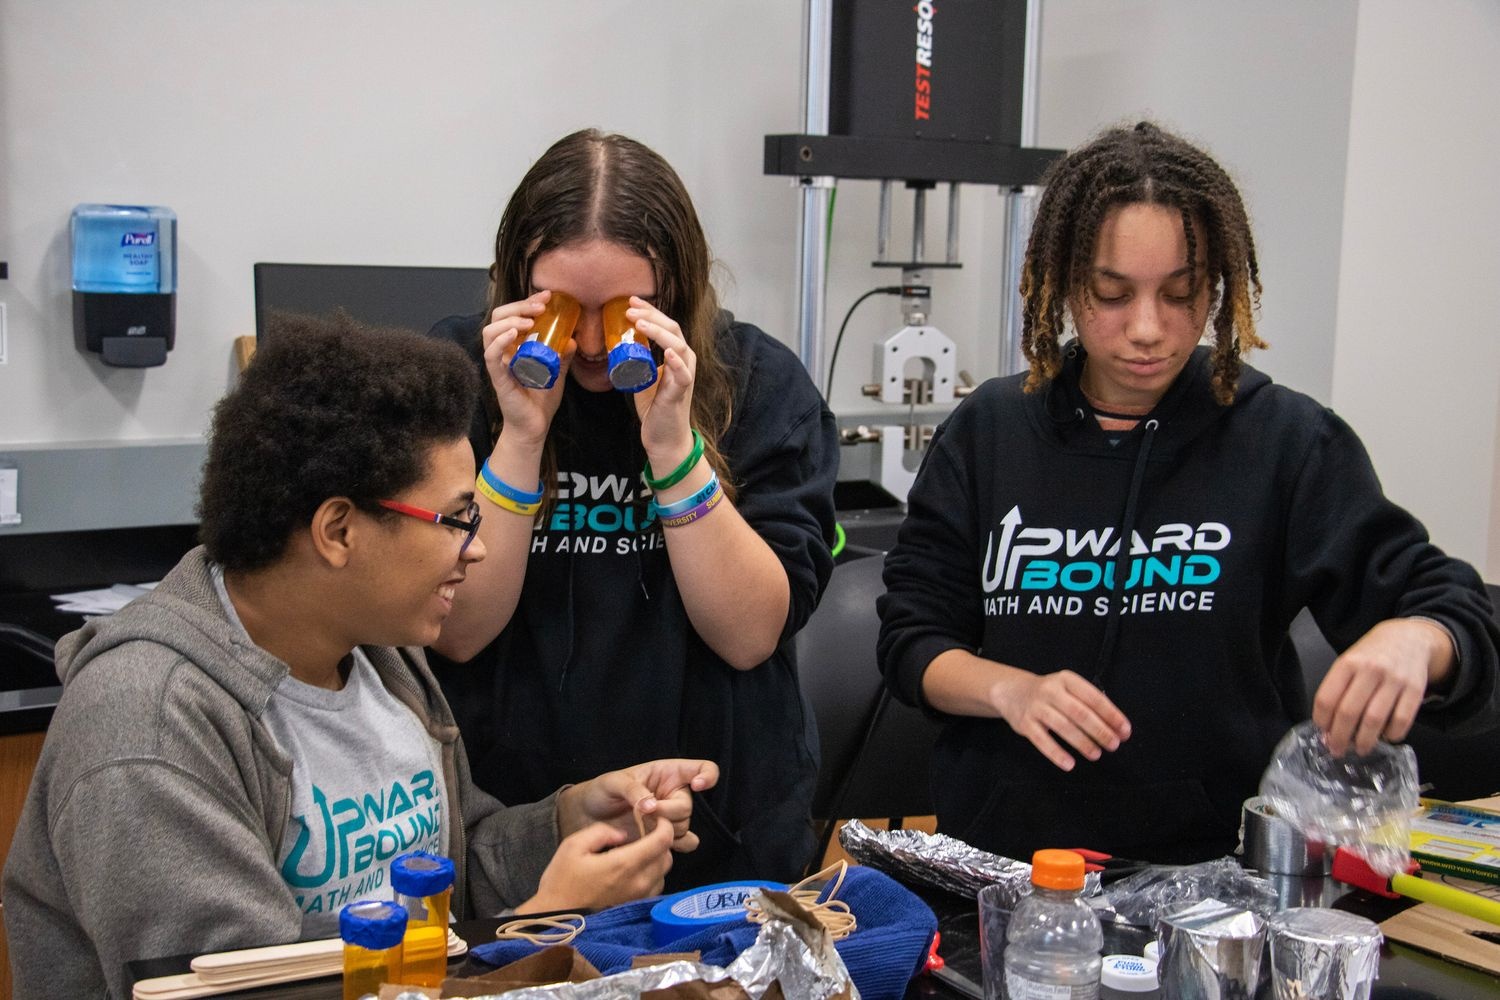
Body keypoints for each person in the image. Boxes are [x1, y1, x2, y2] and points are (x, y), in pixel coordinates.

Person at [2, 314, 718, 1000]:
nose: (480, 546)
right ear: (338, 530)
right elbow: (248, 991)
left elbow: (448, 868)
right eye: (456, 518)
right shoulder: (147, 730)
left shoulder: (380, 657)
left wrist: (568, 823)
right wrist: (538, 926)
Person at [877, 121, 1499, 864]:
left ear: (1219, 286)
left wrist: (1417, 639)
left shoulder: (1285, 441)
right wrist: (1009, 691)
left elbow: (1453, 613)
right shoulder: (990, 432)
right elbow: (913, 640)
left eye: (1181, 294)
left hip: (1215, 871)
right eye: (1111, 293)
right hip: (1012, 861)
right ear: (1060, 282)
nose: (1148, 329)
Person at [427, 129, 839, 886]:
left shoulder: (760, 384)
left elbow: (750, 635)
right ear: (514, 281)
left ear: (676, 292)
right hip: (516, 825)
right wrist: (521, 438)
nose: (588, 343)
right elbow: (456, 633)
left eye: (622, 310)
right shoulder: (455, 377)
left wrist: (673, 450)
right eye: (563, 308)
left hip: (717, 826)